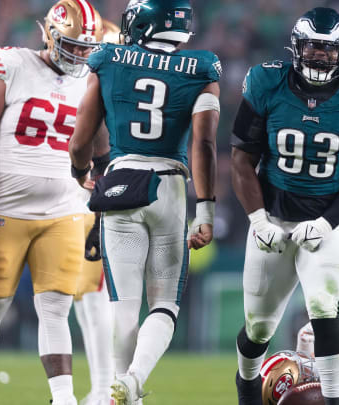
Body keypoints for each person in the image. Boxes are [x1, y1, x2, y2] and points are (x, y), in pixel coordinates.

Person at [231, 7, 339, 405]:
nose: (320, 56)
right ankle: (248, 391)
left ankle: (336, 401)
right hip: (274, 219)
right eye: (313, 47)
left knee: (323, 307)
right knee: (258, 327)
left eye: (329, 49)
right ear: (297, 47)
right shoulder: (267, 81)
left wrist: (327, 222)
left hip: (326, 220)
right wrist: (257, 218)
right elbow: (241, 160)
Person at [69, 0, 220, 403]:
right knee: (165, 305)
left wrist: (81, 171)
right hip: (169, 186)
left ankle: (125, 390)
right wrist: (205, 208)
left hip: (120, 181)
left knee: (123, 303)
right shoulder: (202, 68)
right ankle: (133, 381)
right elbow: (204, 144)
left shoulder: (109, 58)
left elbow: (82, 138)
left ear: (146, 23)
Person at [0, 1, 103, 404]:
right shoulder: (14, 65)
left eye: (85, 47)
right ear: (51, 35)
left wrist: (102, 204)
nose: (79, 54)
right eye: (72, 45)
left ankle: (64, 398)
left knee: (56, 307)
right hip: (4, 209)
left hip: (62, 210)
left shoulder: (90, 80)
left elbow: (101, 146)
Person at [71, 19, 120, 405]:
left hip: (96, 190)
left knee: (96, 296)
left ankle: (109, 388)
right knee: (84, 297)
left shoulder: (101, 82)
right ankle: (105, 387)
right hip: (88, 191)